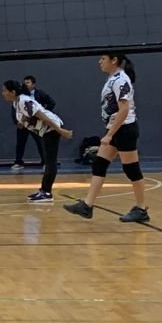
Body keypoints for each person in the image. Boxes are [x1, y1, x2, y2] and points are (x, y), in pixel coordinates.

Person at [65, 54, 149, 222]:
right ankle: (87, 206)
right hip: (116, 128)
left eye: (103, 58)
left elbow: (124, 109)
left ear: (114, 60)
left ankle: (141, 209)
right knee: (99, 164)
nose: (99, 62)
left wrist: (110, 134)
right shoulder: (112, 79)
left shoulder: (120, 79)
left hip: (125, 129)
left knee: (131, 169)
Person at [3, 79, 73, 204]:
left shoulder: (24, 100)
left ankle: (46, 192)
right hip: (45, 131)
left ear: (13, 92)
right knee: (48, 160)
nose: (3, 93)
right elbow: (28, 114)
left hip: (51, 128)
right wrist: (22, 122)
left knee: (50, 161)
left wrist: (61, 130)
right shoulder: (17, 102)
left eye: (5, 90)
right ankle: (43, 190)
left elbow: (41, 115)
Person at [11, 75, 56, 171]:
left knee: (40, 142)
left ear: (33, 84)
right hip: (23, 124)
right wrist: (17, 122)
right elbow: (14, 109)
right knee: (20, 143)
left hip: (36, 123)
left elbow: (52, 102)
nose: (26, 84)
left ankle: (45, 162)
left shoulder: (39, 93)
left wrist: (44, 113)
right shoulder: (20, 96)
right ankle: (18, 162)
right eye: (25, 83)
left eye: (28, 82)